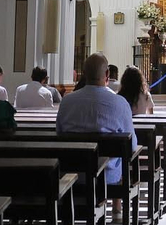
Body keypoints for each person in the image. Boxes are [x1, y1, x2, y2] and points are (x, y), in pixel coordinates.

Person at [57, 54, 138, 189]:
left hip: (73, 174)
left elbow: (59, 132)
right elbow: (132, 146)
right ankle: (115, 202)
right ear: (107, 74)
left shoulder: (66, 101)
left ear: (84, 73)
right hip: (107, 176)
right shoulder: (120, 103)